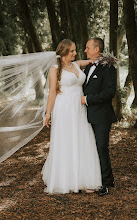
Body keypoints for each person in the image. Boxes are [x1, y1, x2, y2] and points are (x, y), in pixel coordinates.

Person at [41, 39, 102, 194]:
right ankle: (65, 179)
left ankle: (84, 179)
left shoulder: (77, 64)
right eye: (72, 51)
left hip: (79, 108)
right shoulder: (55, 69)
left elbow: (93, 61)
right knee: (66, 141)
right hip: (64, 109)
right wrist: (48, 113)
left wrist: (106, 58)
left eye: (75, 50)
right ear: (64, 52)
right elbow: (52, 93)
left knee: (82, 139)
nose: (75, 53)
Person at [81, 37, 117, 196]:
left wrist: (87, 100)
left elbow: (110, 92)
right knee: (91, 148)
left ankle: (105, 182)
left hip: (102, 115)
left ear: (97, 49)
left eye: (88, 47)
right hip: (86, 115)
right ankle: (101, 178)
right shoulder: (88, 68)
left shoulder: (108, 68)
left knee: (101, 148)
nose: (85, 50)